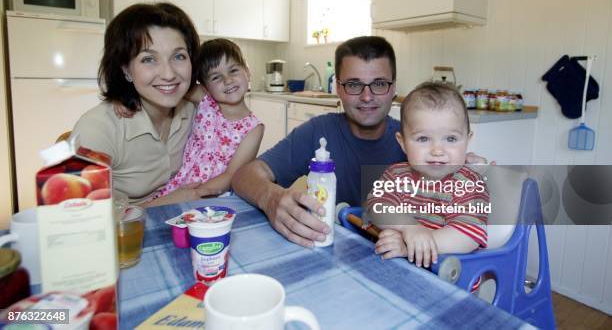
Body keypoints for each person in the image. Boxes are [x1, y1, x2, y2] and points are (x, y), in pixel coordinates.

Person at [232, 36, 406, 247]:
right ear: (338, 88)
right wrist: (270, 197)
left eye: (379, 84)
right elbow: (244, 176)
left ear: (394, 88)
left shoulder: (416, 141)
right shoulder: (319, 131)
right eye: (353, 84)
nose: (367, 97)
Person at [72, 2, 202, 204]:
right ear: (125, 70)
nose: (168, 74)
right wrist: (168, 201)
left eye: (179, 56)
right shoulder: (98, 128)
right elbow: (79, 218)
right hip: (124, 232)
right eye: (148, 59)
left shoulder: (195, 114)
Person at [367, 82, 490, 270]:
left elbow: (467, 236)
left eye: (451, 139)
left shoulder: (469, 183)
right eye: (423, 139)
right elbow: (376, 207)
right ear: (403, 143)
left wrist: (411, 245)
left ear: (467, 140)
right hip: (400, 270)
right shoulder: (396, 175)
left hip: (448, 278)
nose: (437, 151)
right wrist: (410, 228)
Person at [137, 38, 263, 206]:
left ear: (247, 72)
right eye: (216, 77)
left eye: (233, 70)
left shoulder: (254, 128)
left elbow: (232, 175)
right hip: (181, 185)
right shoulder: (206, 101)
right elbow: (172, 86)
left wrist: (195, 194)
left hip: (214, 196)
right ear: (205, 86)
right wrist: (127, 100)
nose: (227, 80)